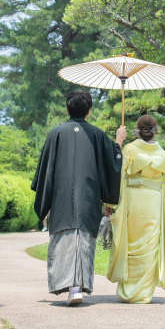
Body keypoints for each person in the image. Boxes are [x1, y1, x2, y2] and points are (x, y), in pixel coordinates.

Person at [31, 91, 126, 306]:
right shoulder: (97, 134)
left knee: (65, 237)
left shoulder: (56, 132)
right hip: (88, 196)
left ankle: (69, 288)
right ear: (89, 111)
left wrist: (44, 204)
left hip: (60, 196)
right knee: (81, 238)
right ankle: (77, 287)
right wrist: (119, 141)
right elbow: (113, 164)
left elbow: (46, 169)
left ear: (67, 109)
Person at [106, 115, 165, 304]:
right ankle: (143, 294)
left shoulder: (129, 149)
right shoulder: (162, 154)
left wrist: (111, 203)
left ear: (137, 131)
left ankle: (127, 291)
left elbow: (118, 177)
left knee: (130, 244)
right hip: (153, 203)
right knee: (149, 246)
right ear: (155, 131)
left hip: (133, 201)